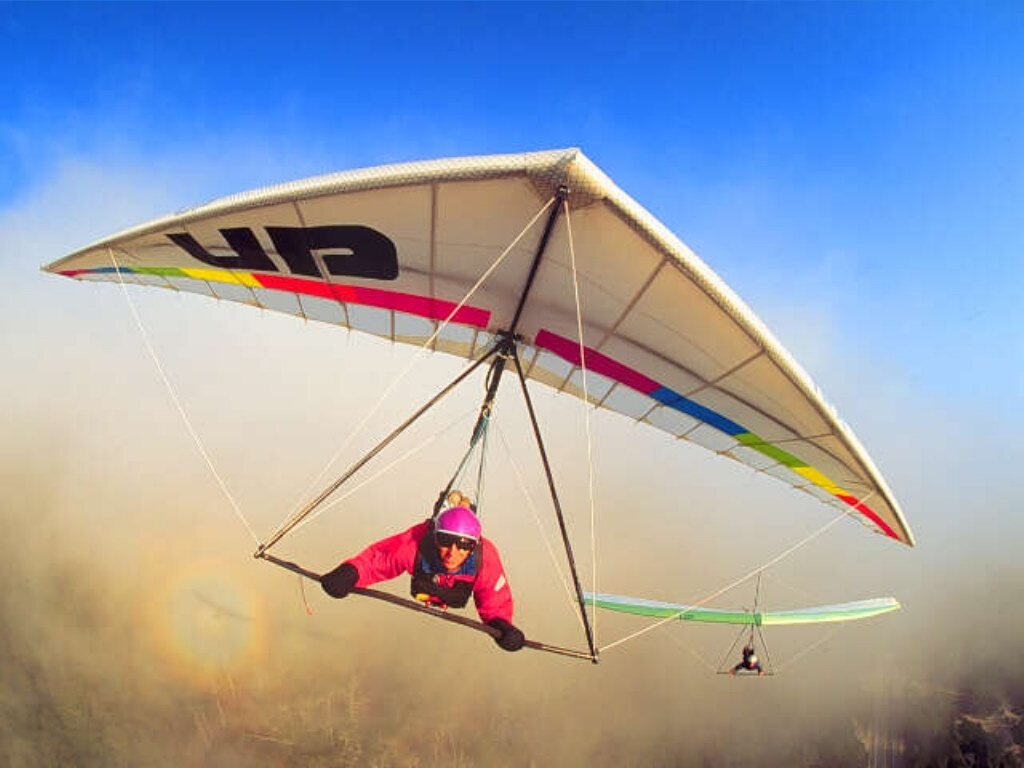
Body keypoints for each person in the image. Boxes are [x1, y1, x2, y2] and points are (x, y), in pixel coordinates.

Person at [320, 500, 526, 652]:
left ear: (473, 546)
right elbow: (378, 560)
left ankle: (459, 509)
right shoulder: (415, 544)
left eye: (464, 545)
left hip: (450, 588)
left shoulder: (485, 560)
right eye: (445, 541)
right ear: (435, 538)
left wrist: (502, 626)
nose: (452, 553)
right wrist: (349, 573)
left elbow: (495, 599)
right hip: (428, 583)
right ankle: (452, 507)